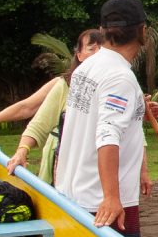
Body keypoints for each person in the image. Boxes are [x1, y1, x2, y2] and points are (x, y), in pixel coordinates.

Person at [55, 0, 158, 237]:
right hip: (103, 204)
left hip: (71, 193)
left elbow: (93, 117)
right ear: (142, 31)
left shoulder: (85, 68)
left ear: (102, 31)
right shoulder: (120, 77)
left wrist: (137, 109)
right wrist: (112, 197)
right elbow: (107, 136)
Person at [6, 29, 103, 183]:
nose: (97, 54)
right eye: (91, 49)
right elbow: (37, 123)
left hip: (101, 169)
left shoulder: (117, 85)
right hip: (66, 170)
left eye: (102, 49)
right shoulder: (65, 85)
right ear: (79, 55)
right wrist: (22, 151)